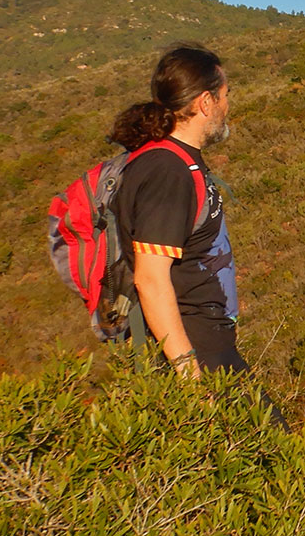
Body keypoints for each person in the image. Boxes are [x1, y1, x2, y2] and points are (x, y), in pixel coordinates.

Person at [107, 43, 252, 381]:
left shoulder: (174, 161)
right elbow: (151, 279)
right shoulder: (168, 171)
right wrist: (189, 374)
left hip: (206, 343)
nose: (227, 106)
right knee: (268, 433)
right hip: (193, 350)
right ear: (205, 102)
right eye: (224, 95)